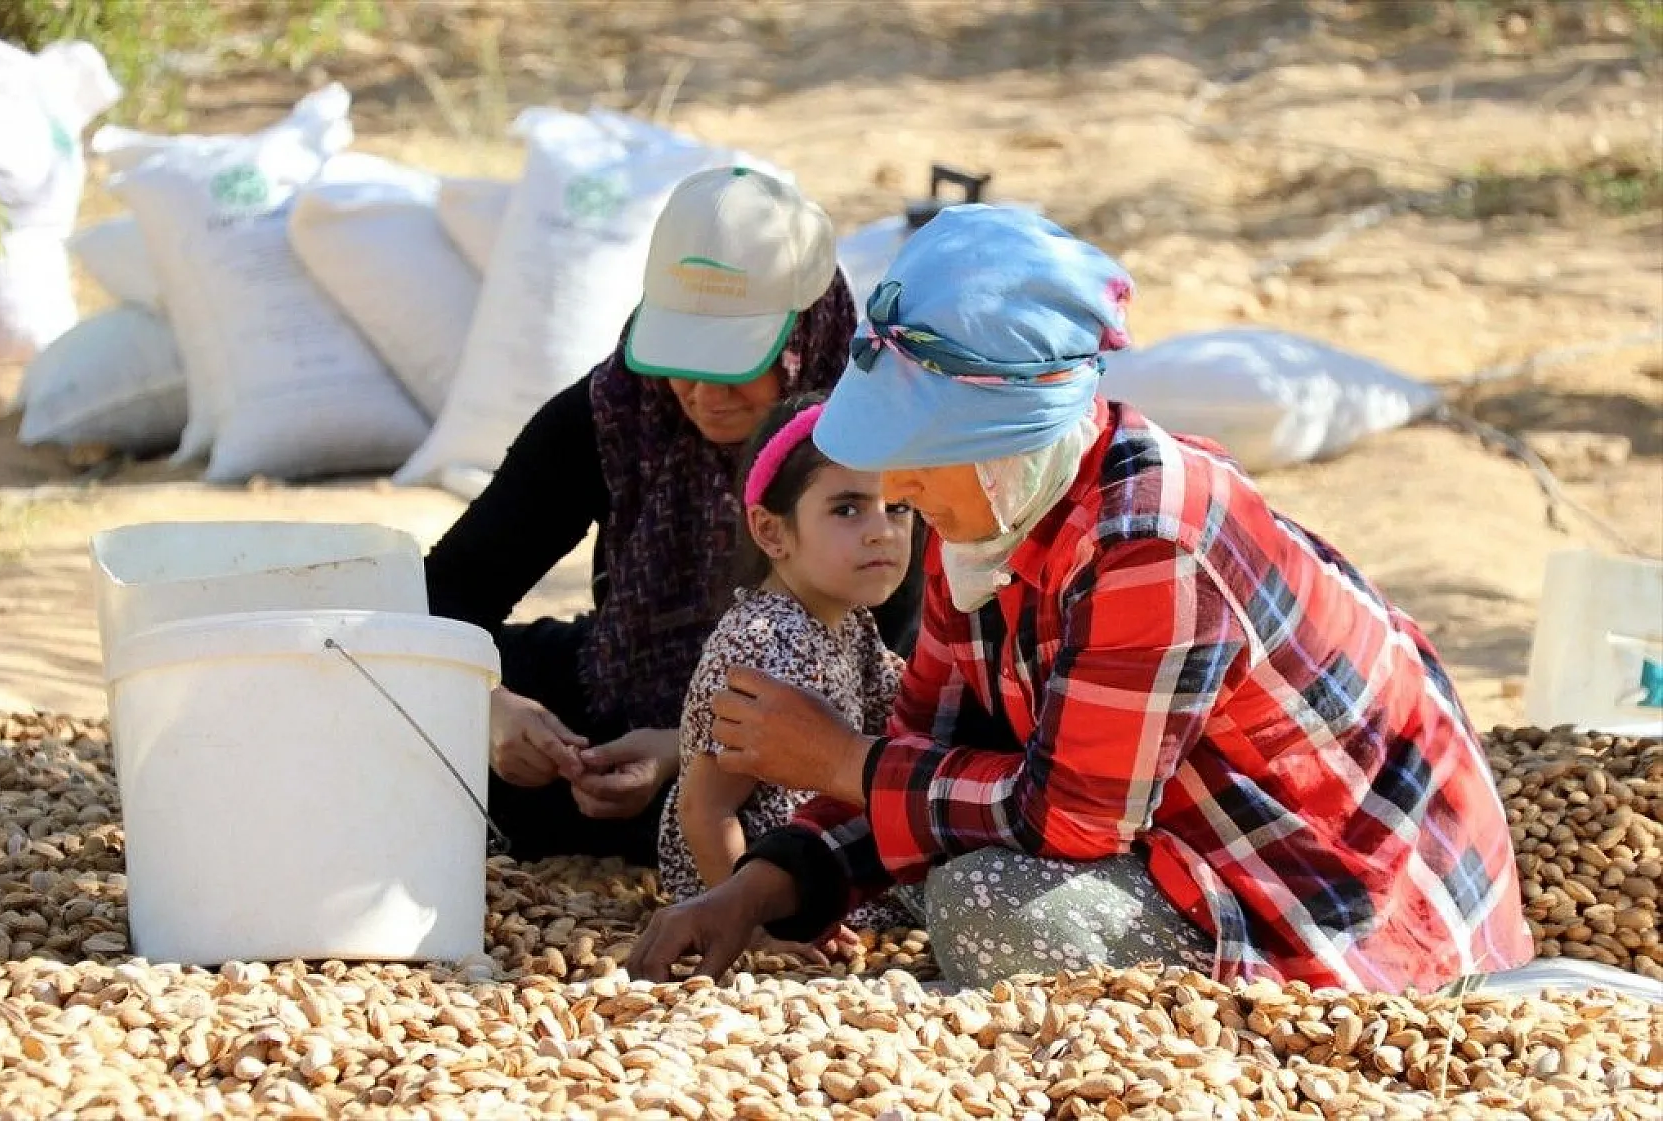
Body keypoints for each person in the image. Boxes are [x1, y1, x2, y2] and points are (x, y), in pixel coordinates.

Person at [629, 205, 1534, 994]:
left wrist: (836, 760)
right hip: (1182, 840)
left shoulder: (1151, 544)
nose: (895, 485)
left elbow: (1066, 817)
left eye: (917, 449)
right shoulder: (983, 524)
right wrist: (756, 891)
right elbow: (927, 743)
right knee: (938, 847)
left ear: (1007, 442)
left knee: (990, 902)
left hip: (1336, 900)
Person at [424, 167, 923, 864]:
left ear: (805, 336)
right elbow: (447, 590)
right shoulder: (616, 411)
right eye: (680, 361)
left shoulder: (872, 448)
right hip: (623, 691)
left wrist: (683, 750)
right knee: (399, 686)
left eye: (732, 364)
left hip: (801, 739)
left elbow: (879, 685)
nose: (698, 392)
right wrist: (486, 704)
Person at [656, 393, 915, 937]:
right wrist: (753, 927)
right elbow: (706, 809)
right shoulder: (762, 647)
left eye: (897, 508)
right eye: (847, 509)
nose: (880, 530)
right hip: (757, 886)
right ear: (772, 531)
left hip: (825, 856)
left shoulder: (849, 622)